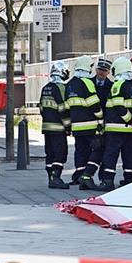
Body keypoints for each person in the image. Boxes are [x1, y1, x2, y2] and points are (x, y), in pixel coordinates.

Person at [96, 57, 132, 191]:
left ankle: (108, 181)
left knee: (111, 155)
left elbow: (118, 105)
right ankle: (130, 180)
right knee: (129, 155)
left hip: (116, 129)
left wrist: (129, 120)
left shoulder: (118, 84)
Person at [65, 55, 104, 189]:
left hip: (76, 125)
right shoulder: (87, 82)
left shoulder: (69, 84)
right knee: (99, 149)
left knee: (81, 151)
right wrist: (100, 118)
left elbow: (66, 106)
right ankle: (87, 175)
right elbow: (93, 103)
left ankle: (79, 176)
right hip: (90, 124)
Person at [40, 61, 71, 189]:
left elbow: (41, 108)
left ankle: (50, 178)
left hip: (47, 127)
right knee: (60, 153)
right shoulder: (61, 88)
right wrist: (68, 126)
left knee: (50, 153)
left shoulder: (45, 87)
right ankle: (56, 178)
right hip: (58, 127)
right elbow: (63, 109)